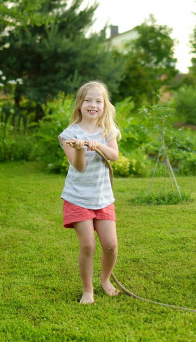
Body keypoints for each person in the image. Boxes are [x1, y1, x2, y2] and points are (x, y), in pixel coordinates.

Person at [59, 81, 121, 304]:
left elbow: (114, 156)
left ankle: (105, 280)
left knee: (110, 245)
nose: (93, 105)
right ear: (80, 104)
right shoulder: (69, 134)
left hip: (102, 197)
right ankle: (88, 290)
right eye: (88, 100)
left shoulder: (108, 131)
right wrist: (80, 151)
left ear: (104, 106)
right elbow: (80, 167)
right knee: (88, 245)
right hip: (77, 197)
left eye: (98, 101)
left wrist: (98, 145)